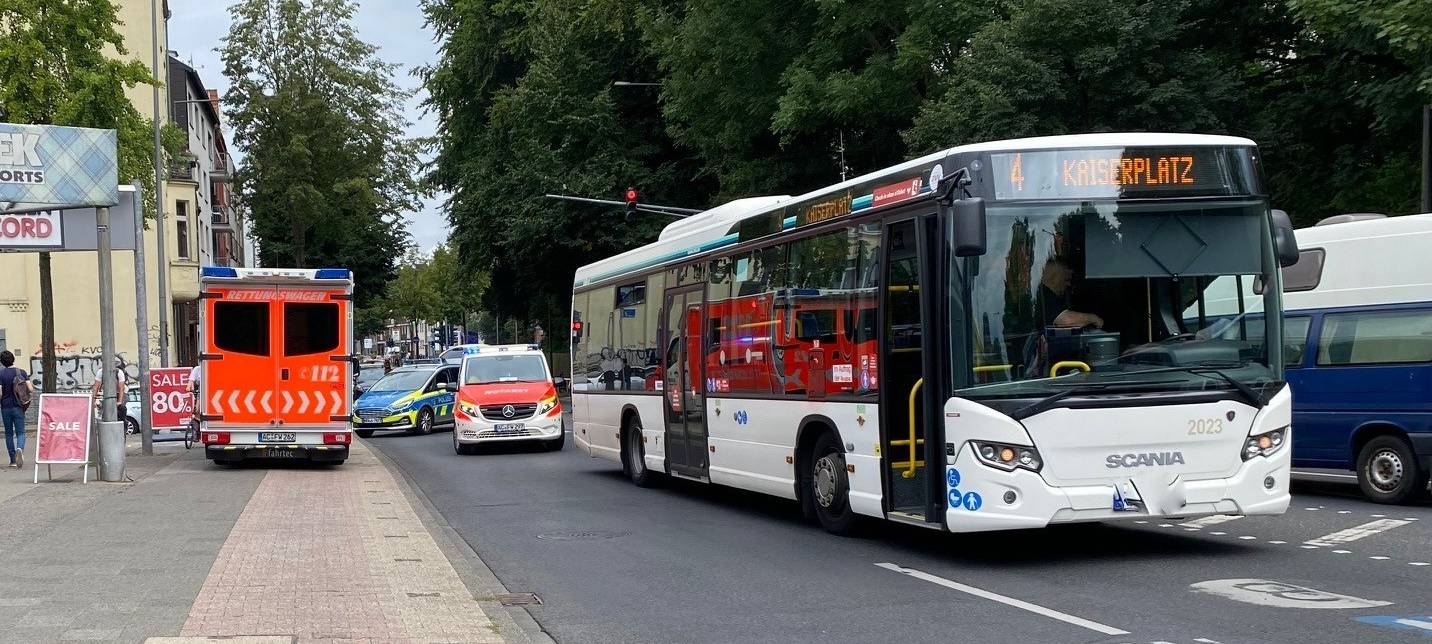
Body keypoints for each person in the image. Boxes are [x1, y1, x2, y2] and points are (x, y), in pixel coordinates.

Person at [1037, 257, 1103, 329]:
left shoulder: (1044, 293)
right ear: (1055, 275)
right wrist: (1093, 318)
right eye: (1067, 280)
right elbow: (1066, 320)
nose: (1068, 284)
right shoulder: (1044, 295)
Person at [0, 351, 32, 468]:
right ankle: (20, 448)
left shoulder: (1, 373)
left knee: (8, 433)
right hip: (19, 406)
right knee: (20, 432)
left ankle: (13, 460)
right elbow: (30, 388)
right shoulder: (21, 372)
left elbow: (0, 393)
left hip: (5, 407)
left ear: (2, 361)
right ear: (13, 359)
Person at [90, 357, 129, 422]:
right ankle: (106, 423)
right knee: (106, 409)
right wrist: (93, 400)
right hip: (108, 393)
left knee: (121, 408)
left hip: (121, 392)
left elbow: (121, 388)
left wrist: (119, 402)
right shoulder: (101, 372)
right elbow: (95, 387)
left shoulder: (119, 372)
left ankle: (123, 422)